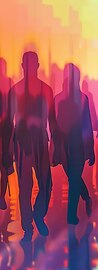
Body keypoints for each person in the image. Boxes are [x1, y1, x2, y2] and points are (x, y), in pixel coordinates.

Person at [8, 51, 55, 239]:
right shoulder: (16, 90)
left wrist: (55, 145)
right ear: (22, 66)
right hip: (22, 141)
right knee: (25, 185)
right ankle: (28, 224)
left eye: (33, 63)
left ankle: (38, 214)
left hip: (40, 140)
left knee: (46, 184)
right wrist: (9, 147)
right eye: (27, 64)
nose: (30, 67)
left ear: (37, 65)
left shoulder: (46, 90)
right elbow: (8, 121)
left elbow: (52, 119)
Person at [52, 64, 95, 225]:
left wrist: (90, 150)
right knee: (73, 177)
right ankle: (86, 197)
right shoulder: (58, 99)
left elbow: (87, 125)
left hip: (78, 144)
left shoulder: (83, 98)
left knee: (74, 178)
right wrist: (56, 147)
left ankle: (71, 215)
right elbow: (54, 124)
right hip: (63, 144)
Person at [0, 58, 13, 210]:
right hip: (6, 127)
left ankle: (1, 196)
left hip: (6, 128)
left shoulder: (9, 83)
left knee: (4, 162)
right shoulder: (8, 82)